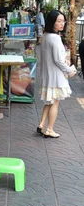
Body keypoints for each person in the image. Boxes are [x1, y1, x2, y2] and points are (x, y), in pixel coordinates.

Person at [37, 10, 76, 138]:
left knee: (49, 101)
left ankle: (41, 124)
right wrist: (70, 70)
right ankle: (49, 129)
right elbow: (58, 60)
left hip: (47, 75)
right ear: (52, 22)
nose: (62, 23)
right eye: (58, 21)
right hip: (56, 77)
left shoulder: (46, 36)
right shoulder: (55, 38)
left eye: (63, 21)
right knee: (55, 103)